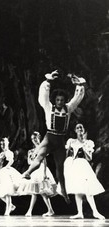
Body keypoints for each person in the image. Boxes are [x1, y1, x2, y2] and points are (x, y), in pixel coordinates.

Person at [22, 70, 85, 203]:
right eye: (58, 100)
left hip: (60, 140)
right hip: (49, 137)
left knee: (60, 168)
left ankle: (63, 191)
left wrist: (78, 85)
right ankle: (28, 172)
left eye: (62, 100)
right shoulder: (49, 108)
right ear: (54, 100)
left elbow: (77, 99)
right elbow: (43, 96)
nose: (60, 102)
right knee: (39, 156)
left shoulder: (68, 108)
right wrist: (48, 81)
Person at [64, 123, 105, 220]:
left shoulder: (88, 142)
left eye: (81, 127)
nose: (79, 129)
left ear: (84, 130)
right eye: (77, 127)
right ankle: (79, 213)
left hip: (83, 165)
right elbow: (67, 155)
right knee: (77, 190)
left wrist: (84, 147)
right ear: (75, 130)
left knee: (87, 189)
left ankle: (95, 212)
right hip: (73, 165)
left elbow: (89, 158)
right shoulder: (71, 141)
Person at [18, 132, 56, 217]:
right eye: (32, 139)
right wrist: (29, 157)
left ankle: (47, 210)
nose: (34, 140)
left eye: (35, 138)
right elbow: (29, 162)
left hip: (41, 169)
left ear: (39, 138)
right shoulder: (31, 151)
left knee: (42, 192)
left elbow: (45, 162)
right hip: (34, 170)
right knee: (35, 192)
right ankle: (34, 211)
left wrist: (45, 173)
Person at [0, 138, 22, 216]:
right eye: (1, 144)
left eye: (4, 144)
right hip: (1, 172)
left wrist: (6, 167)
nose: (3, 146)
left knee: (7, 192)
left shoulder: (9, 152)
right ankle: (11, 206)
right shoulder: (1, 153)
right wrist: (0, 170)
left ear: (8, 143)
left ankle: (8, 210)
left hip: (7, 171)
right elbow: (0, 164)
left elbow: (11, 161)